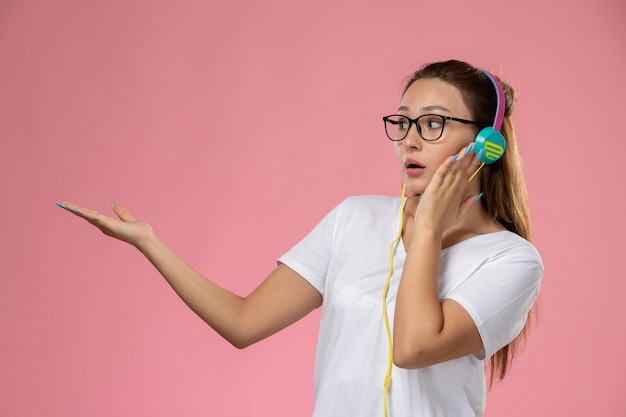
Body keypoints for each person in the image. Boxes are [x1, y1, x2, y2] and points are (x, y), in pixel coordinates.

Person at [57, 59, 543, 417]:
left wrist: (430, 228)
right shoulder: (354, 219)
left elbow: (413, 347)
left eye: (433, 123)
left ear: (488, 142)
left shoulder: (510, 261)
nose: (409, 140)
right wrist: (150, 243)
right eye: (401, 122)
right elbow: (243, 322)